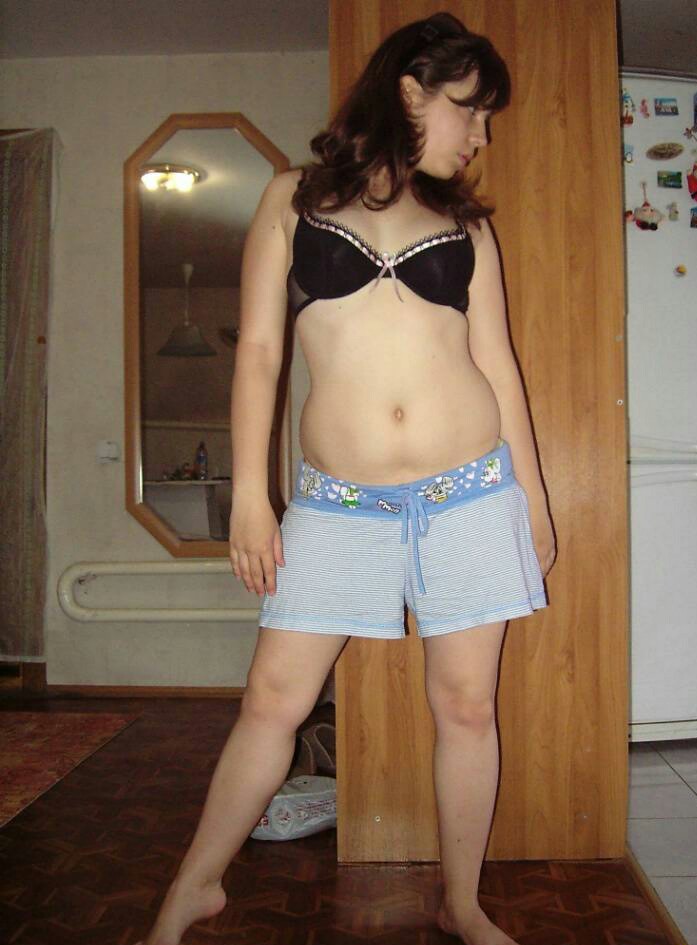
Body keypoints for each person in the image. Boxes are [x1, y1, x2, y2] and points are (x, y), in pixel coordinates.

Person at [139, 11, 556, 945]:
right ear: (410, 90)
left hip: (468, 494)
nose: (481, 134)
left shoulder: (467, 227)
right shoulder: (289, 199)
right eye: (470, 109)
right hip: (337, 505)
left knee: (467, 706)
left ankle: (461, 901)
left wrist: (532, 501)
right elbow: (259, 353)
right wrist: (253, 494)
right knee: (272, 701)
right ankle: (191, 889)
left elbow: (499, 366)